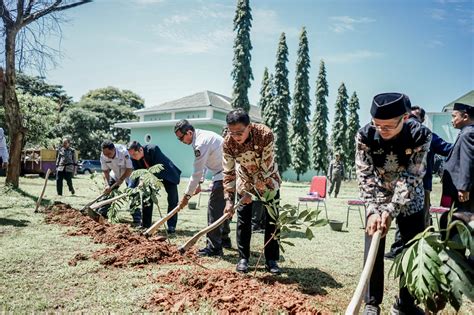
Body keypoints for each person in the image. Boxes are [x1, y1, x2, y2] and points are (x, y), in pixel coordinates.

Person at [356, 93, 431, 315]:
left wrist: (391, 210)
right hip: (378, 192)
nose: (381, 131)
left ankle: (406, 303)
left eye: (388, 127)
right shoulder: (365, 135)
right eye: (377, 125)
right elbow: (364, 174)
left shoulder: (420, 135)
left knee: (411, 248)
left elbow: (412, 176)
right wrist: (372, 210)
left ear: (405, 118)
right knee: (374, 244)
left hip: (410, 196)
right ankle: (371, 303)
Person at [385, 105, 453, 259]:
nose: (412, 121)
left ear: (422, 120)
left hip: (422, 186)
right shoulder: (400, 134)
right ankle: (397, 249)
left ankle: (420, 251)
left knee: (421, 217)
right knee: (400, 213)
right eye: (410, 117)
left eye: (416, 117)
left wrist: (463, 143)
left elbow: (448, 148)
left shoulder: (428, 135)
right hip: (400, 185)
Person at [222, 109, 282, 275]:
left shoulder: (265, 134)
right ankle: (243, 258)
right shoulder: (228, 142)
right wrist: (229, 200)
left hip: (268, 179)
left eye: (239, 132)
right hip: (245, 179)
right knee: (243, 219)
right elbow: (228, 172)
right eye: (232, 132)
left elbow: (266, 167)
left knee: (272, 219)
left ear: (249, 127)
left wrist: (253, 192)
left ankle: (271, 260)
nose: (236, 136)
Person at [174, 119, 231, 255]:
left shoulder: (200, 143)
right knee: (222, 208)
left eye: (181, 138)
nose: (181, 141)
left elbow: (197, 171)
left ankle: (214, 247)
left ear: (189, 132)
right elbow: (204, 165)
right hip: (225, 172)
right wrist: (199, 184)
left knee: (214, 210)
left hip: (225, 174)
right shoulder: (201, 137)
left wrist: (186, 196)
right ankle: (224, 239)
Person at [127, 141, 181, 232]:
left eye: (134, 154)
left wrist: (144, 180)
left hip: (167, 174)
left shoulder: (153, 149)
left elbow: (158, 167)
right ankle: (146, 224)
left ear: (140, 150)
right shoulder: (133, 158)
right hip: (150, 178)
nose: (132, 157)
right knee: (146, 196)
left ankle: (171, 226)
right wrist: (132, 188)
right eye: (131, 155)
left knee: (172, 200)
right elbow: (137, 172)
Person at [441, 102, 474, 212]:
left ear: (465, 117)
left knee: (459, 220)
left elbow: (468, 161)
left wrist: (464, 188)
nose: (452, 120)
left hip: (459, 190)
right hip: (454, 188)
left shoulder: (468, 134)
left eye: (454, 116)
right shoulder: (465, 132)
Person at [98, 140, 133, 218]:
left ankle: (137, 219)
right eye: (105, 154)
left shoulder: (123, 152)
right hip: (115, 173)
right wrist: (107, 184)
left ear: (114, 149)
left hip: (129, 174)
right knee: (107, 193)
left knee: (132, 194)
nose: (106, 156)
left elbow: (129, 168)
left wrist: (121, 179)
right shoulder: (103, 156)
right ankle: (102, 214)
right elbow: (105, 171)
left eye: (109, 154)